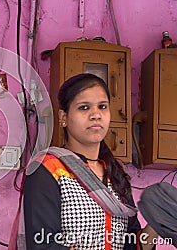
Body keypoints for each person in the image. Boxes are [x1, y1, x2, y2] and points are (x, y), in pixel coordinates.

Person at [22, 73, 158, 249]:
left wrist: (159, 222)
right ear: (63, 117)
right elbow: (43, 245)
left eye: (102, 106)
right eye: (84, 107)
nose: (96, 114)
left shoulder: (115, 174)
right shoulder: (48, 170)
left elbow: (131, 244)